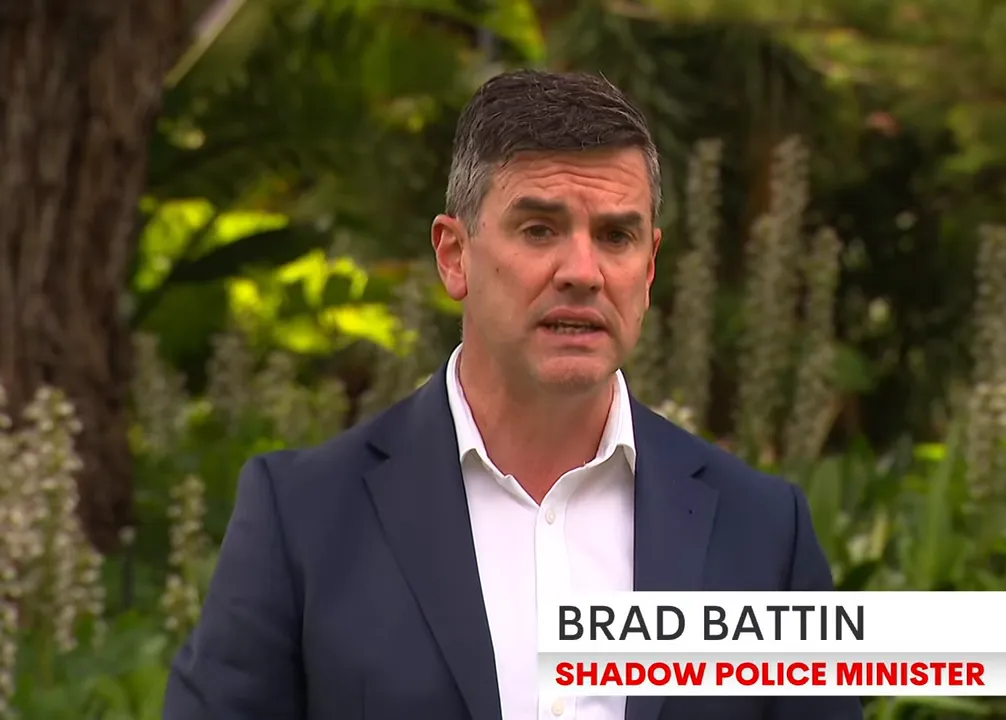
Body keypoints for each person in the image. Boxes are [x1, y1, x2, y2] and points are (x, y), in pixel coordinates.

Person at [162, 69, 863, 720]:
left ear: (649, 267)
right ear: (454, 255)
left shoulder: (764, 532)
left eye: (616, 235)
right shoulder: (304, 520)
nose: (582, 271)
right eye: (540, 229)